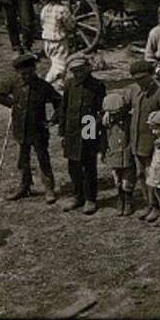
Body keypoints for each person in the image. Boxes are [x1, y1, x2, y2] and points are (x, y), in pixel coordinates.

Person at [0, 52, 62, 203]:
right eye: (22, 74)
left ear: (34, 70)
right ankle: (24, 186)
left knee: (43, 158)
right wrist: (13, 105)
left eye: (28, 73)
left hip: (39, 130)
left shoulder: (43, 86)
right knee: (23, 160)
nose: (25, 77)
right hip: (20, 128)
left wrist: (52, 120)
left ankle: (49, 188)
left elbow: (59, 102)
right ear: (18, 73)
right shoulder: (15, 84)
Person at [122, 59, 160, 221]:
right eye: (136, 79)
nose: (139, 82)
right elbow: (124, 105)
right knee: (142, 175)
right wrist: (109, 112)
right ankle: (151, 205)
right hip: (137, 143)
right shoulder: (135, 92)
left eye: (143, 78)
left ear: (152, 75)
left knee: (156, 178)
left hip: (154, 145)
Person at [58, 55, 106, 214]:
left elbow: (101, 111)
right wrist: (63, 133)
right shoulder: (69, 84)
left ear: (87, 68)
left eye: (80, 70)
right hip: (71, 130)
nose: (78, 73)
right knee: (73, 166)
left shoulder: (97, 86)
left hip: (88, 127)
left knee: (89, 166)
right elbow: (63, 109)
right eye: (74, 71)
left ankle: (90, 198)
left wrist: (93, 128)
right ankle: (77, 196)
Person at [101, 90, 136, 216]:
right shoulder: (107, 123)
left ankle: (128, 200)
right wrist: (103, 151)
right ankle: (120, 198)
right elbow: (104, 139)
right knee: (117, 179)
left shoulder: (130, 120)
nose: (115, 116)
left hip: (127, 154)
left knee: (128, 179)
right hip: (114, 154)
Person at [38, 0, 75, 85]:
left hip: (47, 42)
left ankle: (59, 86)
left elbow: (42, 23)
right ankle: (45, 85)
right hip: (59, 43)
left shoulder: (44, 9)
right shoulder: (62, 10)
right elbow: (70, 25)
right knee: (60, 67)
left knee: (55, 64)